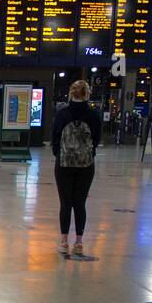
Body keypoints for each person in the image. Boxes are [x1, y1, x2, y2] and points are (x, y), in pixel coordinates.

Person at [49, 79, 101, 256]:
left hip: (64, 164)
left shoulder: (62, 114)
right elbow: (97, 139)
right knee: (80, 203)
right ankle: (79, 242)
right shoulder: (94, 115)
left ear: (71, 93)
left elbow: (55, 138)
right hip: (86, 165)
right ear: (87, 94)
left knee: (65, 203)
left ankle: (64, 241)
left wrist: (60, 154)